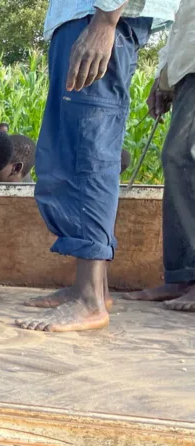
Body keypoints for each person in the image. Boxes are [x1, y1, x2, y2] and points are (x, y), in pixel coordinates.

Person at [18, 0, 179, 333]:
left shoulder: (103, 22)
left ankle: (89, 299)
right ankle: (93, 289)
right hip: (89, 17)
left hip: (99, 17)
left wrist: (106, 20)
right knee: (75, 148)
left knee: (86, 151)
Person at [124, 0, 195, 311]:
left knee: (181, 156)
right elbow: (183, 24)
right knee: (178, 161)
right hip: (186, 70)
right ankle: (180, 275)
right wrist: (164, 76)